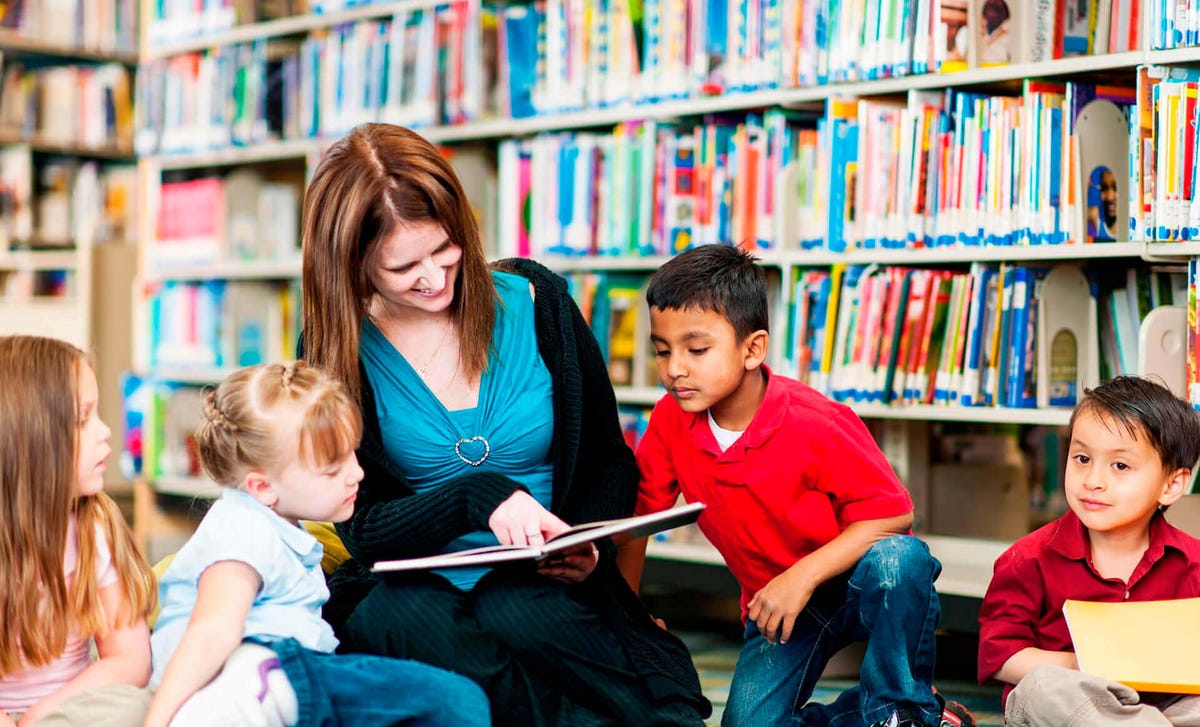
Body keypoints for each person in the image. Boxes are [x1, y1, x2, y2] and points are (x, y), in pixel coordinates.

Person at [299, 123, 709, 727]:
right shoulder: (334, 346)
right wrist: (477, 498)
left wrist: (587, 544)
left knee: (521, 610)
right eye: (403, 267)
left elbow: (607, 461)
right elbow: (361, 525)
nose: (435, 279)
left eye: (444, 250)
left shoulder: (536, 302)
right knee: (398, 618)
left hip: (547, 569)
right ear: (353, 265)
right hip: (424, 582)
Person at [619, 245, 975, 727]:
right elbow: (640, 522)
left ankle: (901, 709)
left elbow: (893, 516)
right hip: (779, 610)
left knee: (899, 559)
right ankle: (893, 715)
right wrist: (629, 621)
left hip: (853, 580)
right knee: (747, 724)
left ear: (753, 349)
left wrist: (800, 577)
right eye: (662, 351)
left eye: (696, 350)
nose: (675, 368)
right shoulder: (668, 422)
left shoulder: (816, 422)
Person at [145, 361, 490, 727]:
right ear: (263, 487)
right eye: (332, 469)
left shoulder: (273, 524)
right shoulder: (243, 528)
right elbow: (212, 628)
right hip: (270, 672)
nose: (356, 473)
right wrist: (158, 719)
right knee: (459, 702)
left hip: (294, 673)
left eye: (352, 454)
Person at [978, 376, 1200, 726]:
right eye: (1082, 458)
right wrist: (1088, 666)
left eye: (1120, 466)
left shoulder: (1193, 563)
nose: (1093, 480)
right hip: (1071, 703)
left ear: (1171, 485)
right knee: (1042, 687)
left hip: (1163, 705)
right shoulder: (1028, 559)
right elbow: (1001, 657)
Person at [0, 335, 157, 726]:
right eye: (83, 419)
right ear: (33, 441)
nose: (105, 431)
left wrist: (37, 716)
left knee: (137, 707)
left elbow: (130, 660)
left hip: (68, 711)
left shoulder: (94, 526)